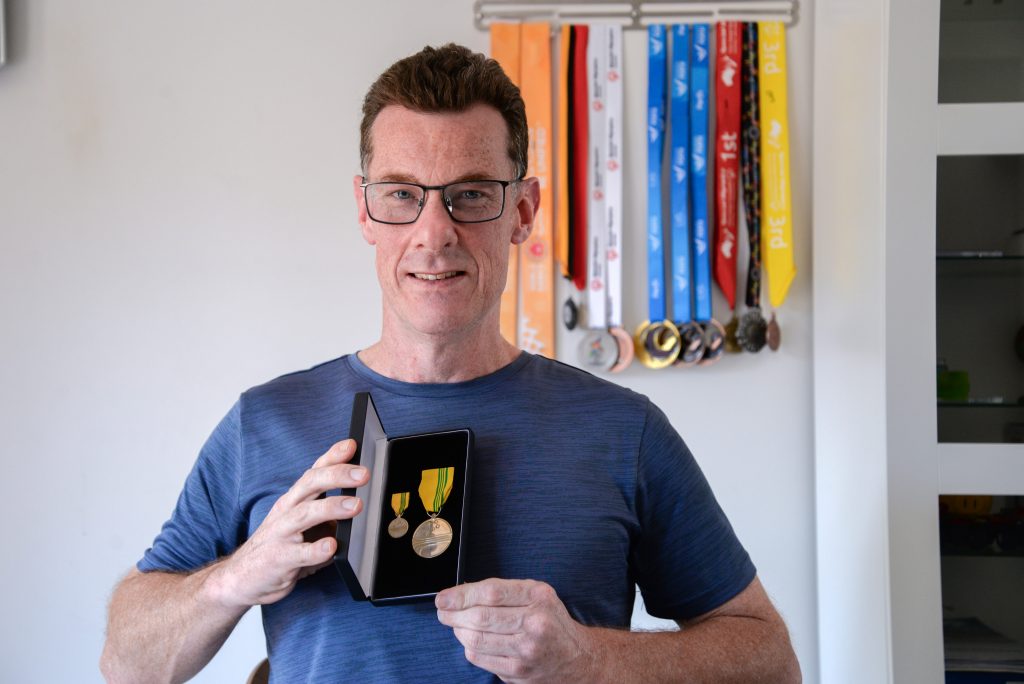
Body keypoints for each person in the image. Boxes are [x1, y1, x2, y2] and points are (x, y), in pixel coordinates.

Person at [100, 43, 800, 683]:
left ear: (523, 210)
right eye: (402, 194)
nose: (434, 233)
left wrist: (589, 659)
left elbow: (771, 662)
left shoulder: (624, 431)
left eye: (470, 195)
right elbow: (127, 664)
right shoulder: (263, 424)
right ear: (365, 210)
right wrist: (236, 578)